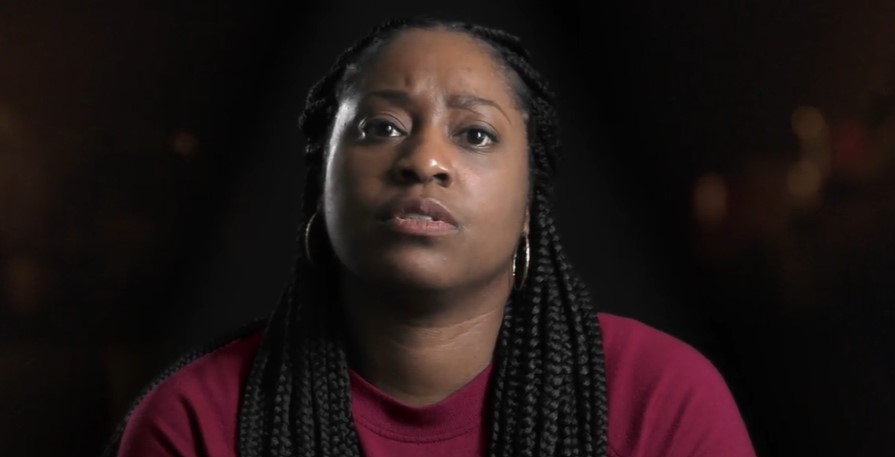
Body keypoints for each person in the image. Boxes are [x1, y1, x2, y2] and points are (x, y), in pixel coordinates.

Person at [102, 17, 757, 457]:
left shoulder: (661, 400)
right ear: (322, 186)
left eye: (475, 134)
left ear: (529, 208)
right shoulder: (196, 421)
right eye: (381, 127)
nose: (424, 160)